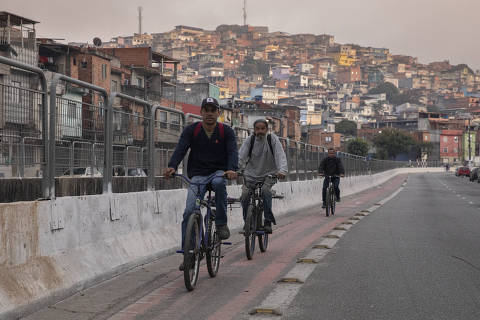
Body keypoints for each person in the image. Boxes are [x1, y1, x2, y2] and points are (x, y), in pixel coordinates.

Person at [164, 97, 238, 271]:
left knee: (220, 184)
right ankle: (188, 253)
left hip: (218, 172)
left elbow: (233, 152)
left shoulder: (226, 131)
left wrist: (232, 169)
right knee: (189, 211)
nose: (210, 113)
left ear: (218, 113)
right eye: (207, 110)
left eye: (213, 110)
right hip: (197, 176)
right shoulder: (192, 130)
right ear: (201, 112)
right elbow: (180, 149)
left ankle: (220, 223)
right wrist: (172, 166)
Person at [238, 119, 288, 234]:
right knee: (245, 195)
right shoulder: (250, 140)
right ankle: (247, 221)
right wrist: (234, 170)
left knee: (266, 191)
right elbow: (240, 157)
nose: (260, 131)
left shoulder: (272, 139)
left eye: (262, 129)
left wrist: (282, 171)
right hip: (250, 175)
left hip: (269, 174)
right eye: (257, 129)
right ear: (254, 130)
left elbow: (280, 155)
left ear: (267, 129)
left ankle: (267, 220)